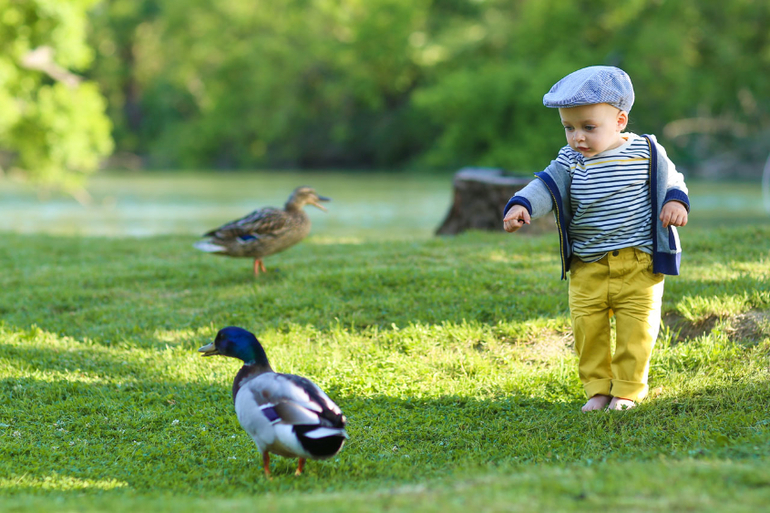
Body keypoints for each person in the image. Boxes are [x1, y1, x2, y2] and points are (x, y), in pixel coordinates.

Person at [502, 66, 690, 412]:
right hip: (588, 266)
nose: (578, 138)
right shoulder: (571, 160)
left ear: (620, 121)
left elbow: (672, 179)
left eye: (589, 127)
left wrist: (675, 200)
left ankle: (627, 391)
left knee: (637, 329)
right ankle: (598, 389)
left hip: (639, 264)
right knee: (589, 330)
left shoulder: (647, 152)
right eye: (568, 128)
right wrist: (523, 204)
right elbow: (545, 185)